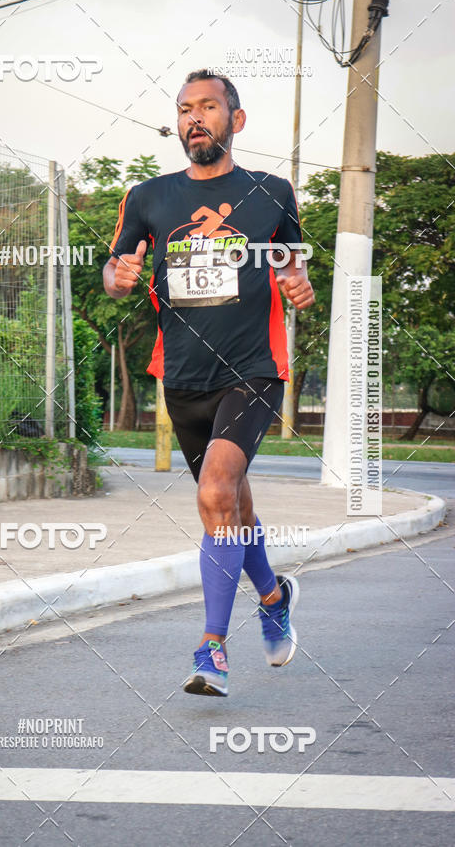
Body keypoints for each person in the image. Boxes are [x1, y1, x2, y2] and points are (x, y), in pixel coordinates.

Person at [103, 69, 315, 697]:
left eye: (209, 107)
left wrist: (299, 287)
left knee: (218, 490)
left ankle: (212, 647)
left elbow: (293, 273)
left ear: (236, 120)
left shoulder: (271, 193)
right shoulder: (148, 197)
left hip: (253, 369)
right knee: (232, 505)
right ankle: (274, 596)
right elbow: (116, 273)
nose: (195, 118)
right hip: (183, 377)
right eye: (185, 109)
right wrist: (120, 275)